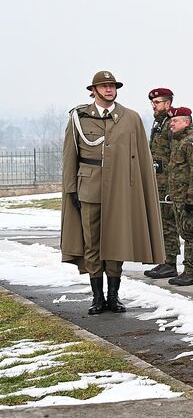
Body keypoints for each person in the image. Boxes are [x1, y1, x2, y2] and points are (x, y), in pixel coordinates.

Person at [60, 71, 164, 314]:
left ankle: (114, 296)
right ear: (93, 90)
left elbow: (141, 158)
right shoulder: (79, 117)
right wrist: (71, 189)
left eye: (112, 86)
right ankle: (97, 298)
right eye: (103, 86)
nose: (109, 90)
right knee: (92, 243)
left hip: (120, 190)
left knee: (116, 242)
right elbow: (69, 156)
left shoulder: (130, 118)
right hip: (89, 188)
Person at [165, 107, 193, 286]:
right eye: (170, 121)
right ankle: (188, 270)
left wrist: (192, 199)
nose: (171, 124)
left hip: (190, 199)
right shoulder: (181, 141)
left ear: (186, 122)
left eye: (175, 121)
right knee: (186, 234)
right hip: (180, 198)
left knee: (192, 236)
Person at [143, 88, 179, 279]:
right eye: (153, 103)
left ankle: (170, 263)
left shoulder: (171, 124)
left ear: (167, 103)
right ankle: (164, 259)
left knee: (169, 223)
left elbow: (176, 154)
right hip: (158, 180)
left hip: (168, 181)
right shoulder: (159, 123)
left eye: (157, 103)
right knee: (161, 222)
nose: (154, 106)